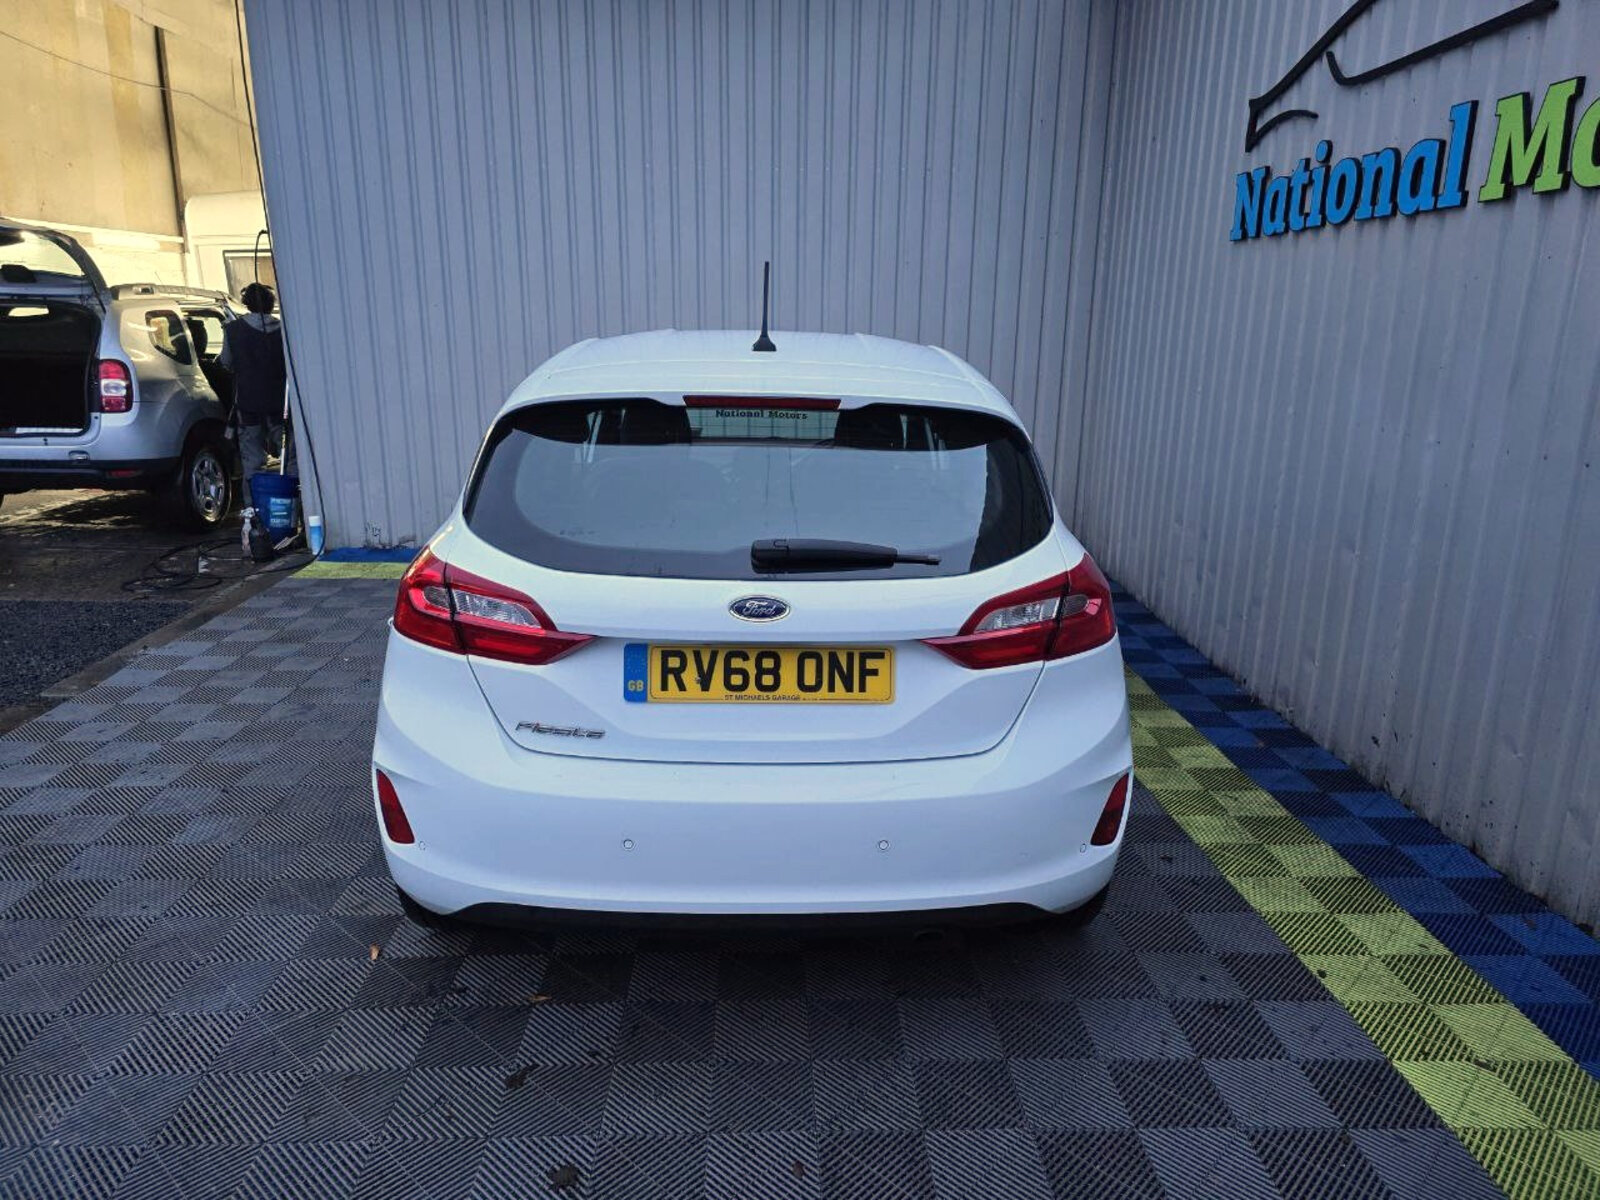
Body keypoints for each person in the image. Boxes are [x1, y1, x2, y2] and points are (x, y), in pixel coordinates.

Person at [219, 282, 295, 480]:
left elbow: (226, 362)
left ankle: (255, 497)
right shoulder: (285, 330)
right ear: (271, 303)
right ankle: (293, 495)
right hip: (281, 405)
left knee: (252, 461)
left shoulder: (233, 330)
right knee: (290, 457)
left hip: (248, 405)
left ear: (246, 303)